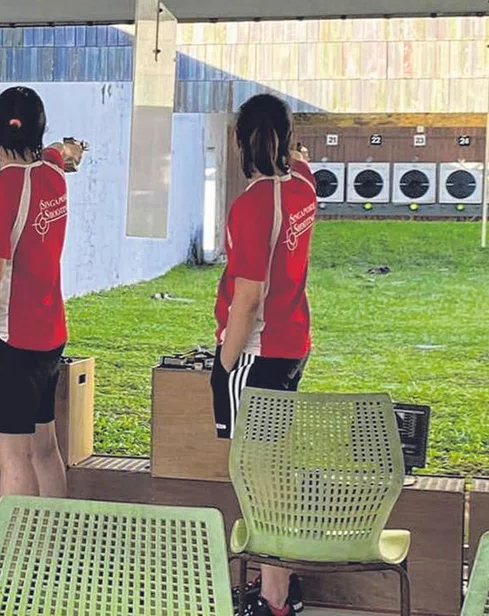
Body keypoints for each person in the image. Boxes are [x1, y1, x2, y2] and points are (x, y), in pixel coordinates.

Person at [210, 94, 316, 616]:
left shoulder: (252, 206)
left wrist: (223, 363)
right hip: (293, 345)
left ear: (238, 144)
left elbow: (247, 300)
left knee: (257, 475)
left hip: (254, 352)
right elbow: (300, 160)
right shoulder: (303, 186)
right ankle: (282, 581)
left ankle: (273, 597)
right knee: (276, 468)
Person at [0, 86, 84, 498]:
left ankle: (19, 556)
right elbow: (53, 154)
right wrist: (66, 150)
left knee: (11, 454)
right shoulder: (52, 178)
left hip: (7, 339)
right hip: (48, 334)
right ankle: (55, 551)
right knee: (44, 449)